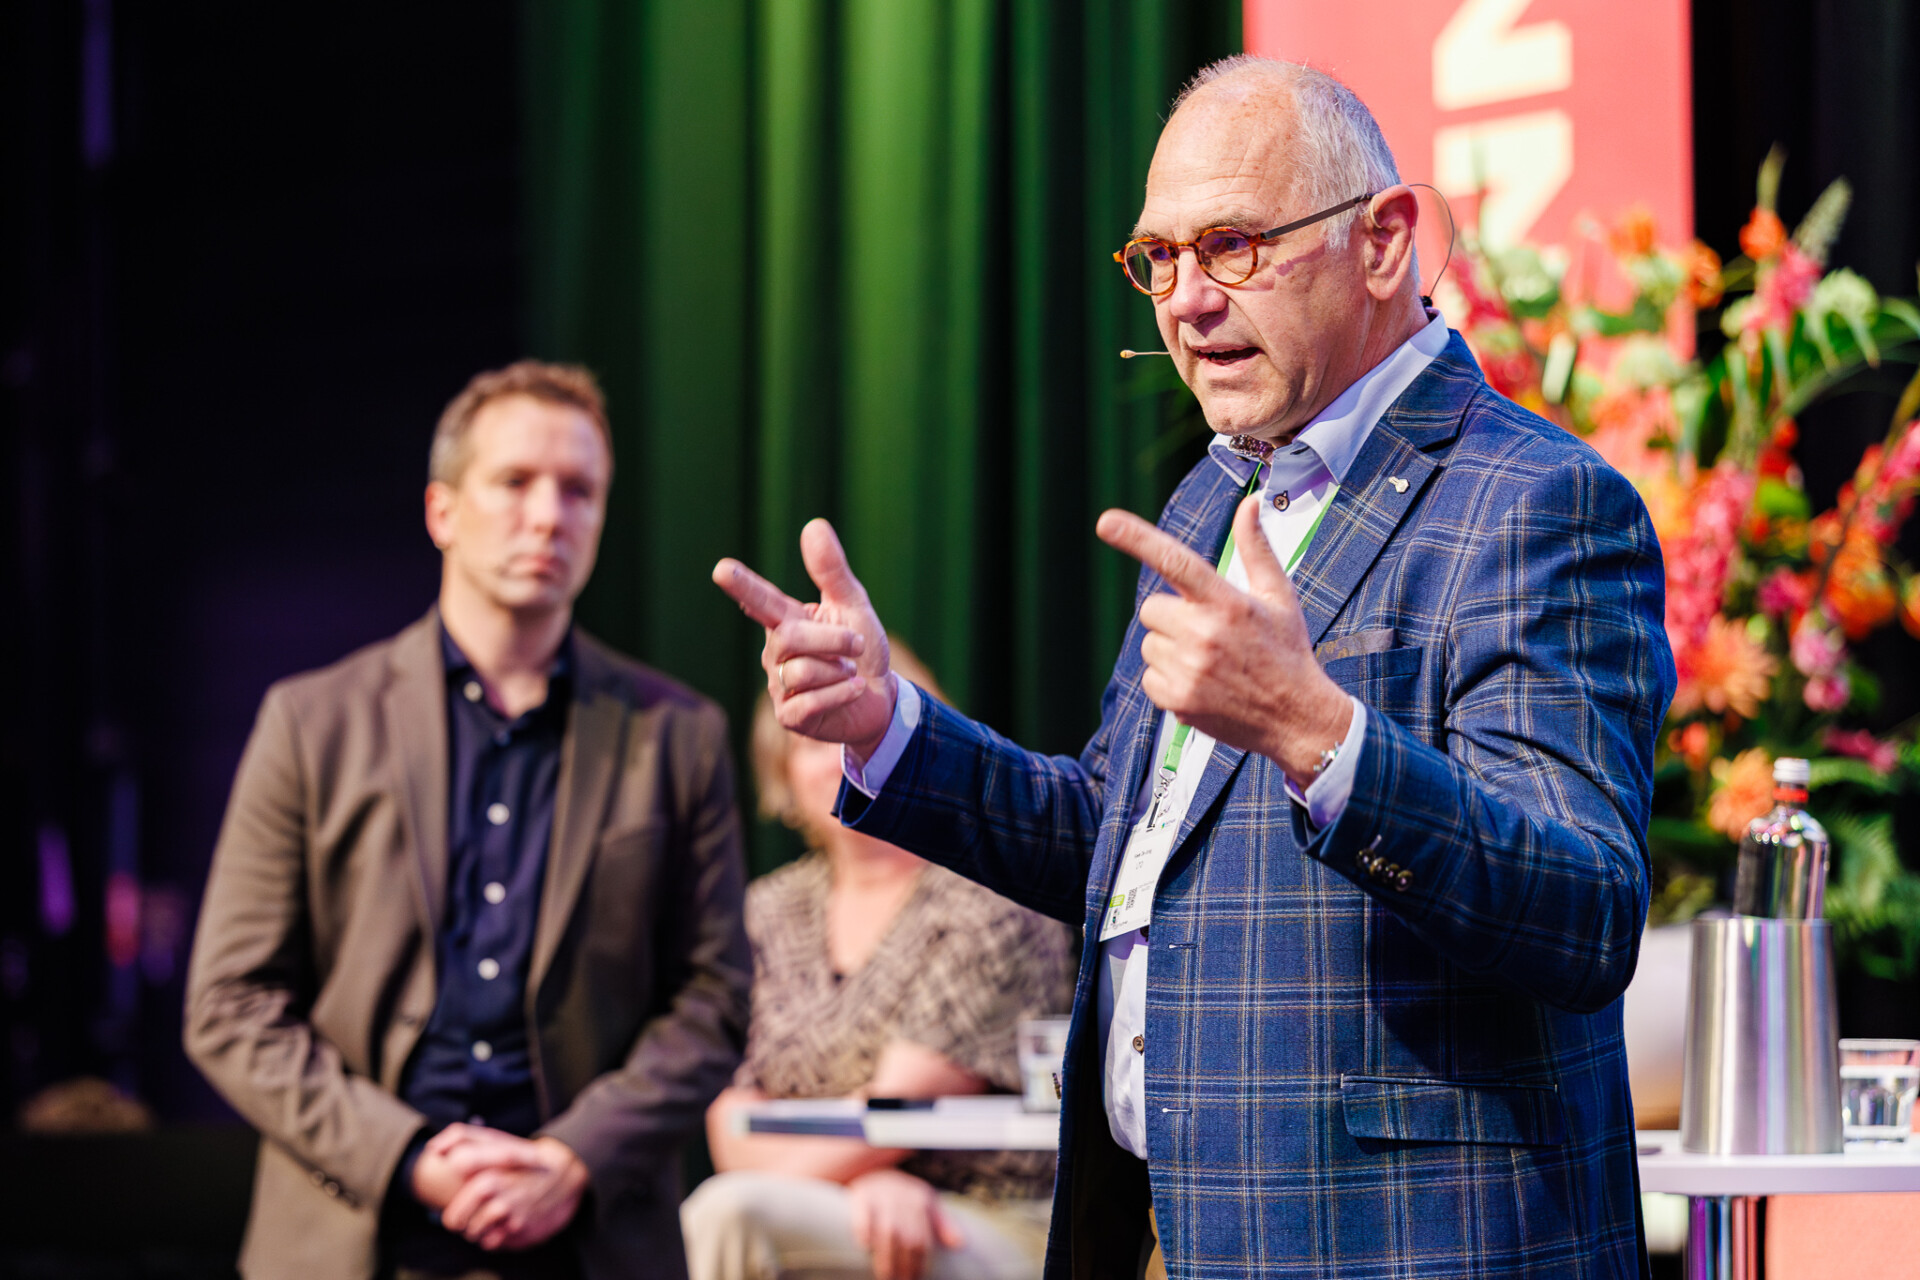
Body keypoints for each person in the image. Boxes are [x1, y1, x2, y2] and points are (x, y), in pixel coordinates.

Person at [714, 56, 1674, 1280]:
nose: (1186, 301)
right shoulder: (1217, 494)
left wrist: (1318, 734)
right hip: (1173, 1230)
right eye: (1158, 259)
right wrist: (888, 725)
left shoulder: (1537, 500)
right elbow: (1111, 839)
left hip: (1402, 1245)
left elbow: (1586, 911)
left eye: (1231, 246)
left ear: (1383, 242)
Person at [185, 361, 750, 1280]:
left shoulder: (676, 735)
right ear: (442, 511)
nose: (549, 515)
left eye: (579, 490)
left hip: (586, 1236)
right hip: (357, 1230)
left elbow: (713, 1002)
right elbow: (230, 1003)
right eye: (515, 482)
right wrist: (406, 1155)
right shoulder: (313, 722)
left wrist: (573, 1159)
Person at [680, 642, 1074, 1280]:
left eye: (863, 731)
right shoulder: (767, 912)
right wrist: (852, 1186)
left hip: (990, 1214)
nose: (840, 757)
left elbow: (898, 1119)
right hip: (834, 1203)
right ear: (782, 771)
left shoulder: (989, 896)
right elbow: (731, 1129)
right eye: (815, 740)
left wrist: (845, 1178)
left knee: (730, 1216)